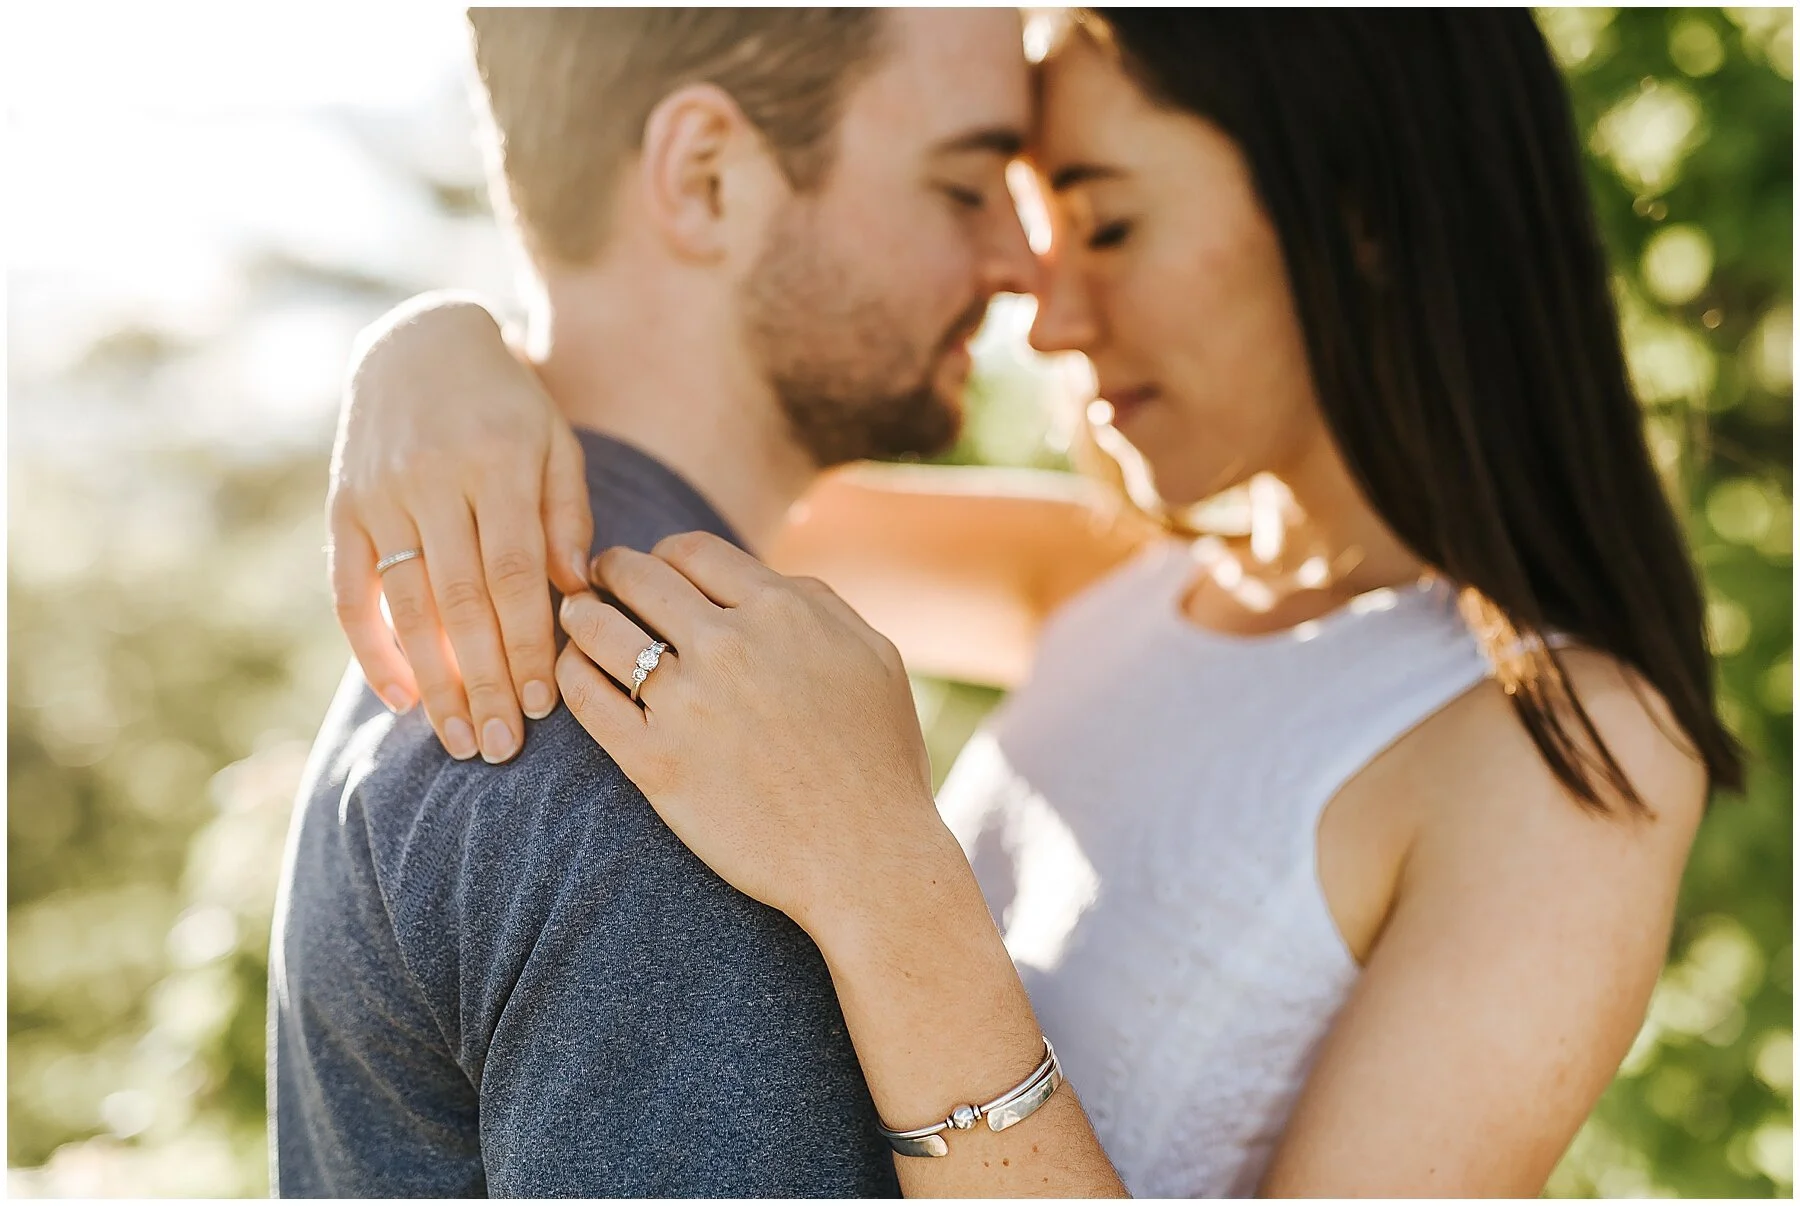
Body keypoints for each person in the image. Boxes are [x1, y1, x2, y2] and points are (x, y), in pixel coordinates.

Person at [326, 9, 1744, 1197]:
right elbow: (667, 467)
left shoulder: (1565, 753)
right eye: (1021, 225)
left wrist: (889, 884)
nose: (1047, 316)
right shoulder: (1109, 577)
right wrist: (428, 350)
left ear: (1364, 215)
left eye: (1109, 226)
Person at [271, 7, 1044, 1196]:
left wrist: (423, 333)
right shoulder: (692, 755)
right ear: (707, 176)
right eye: (963, 186)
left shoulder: (535, 634)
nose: (1023, 265)